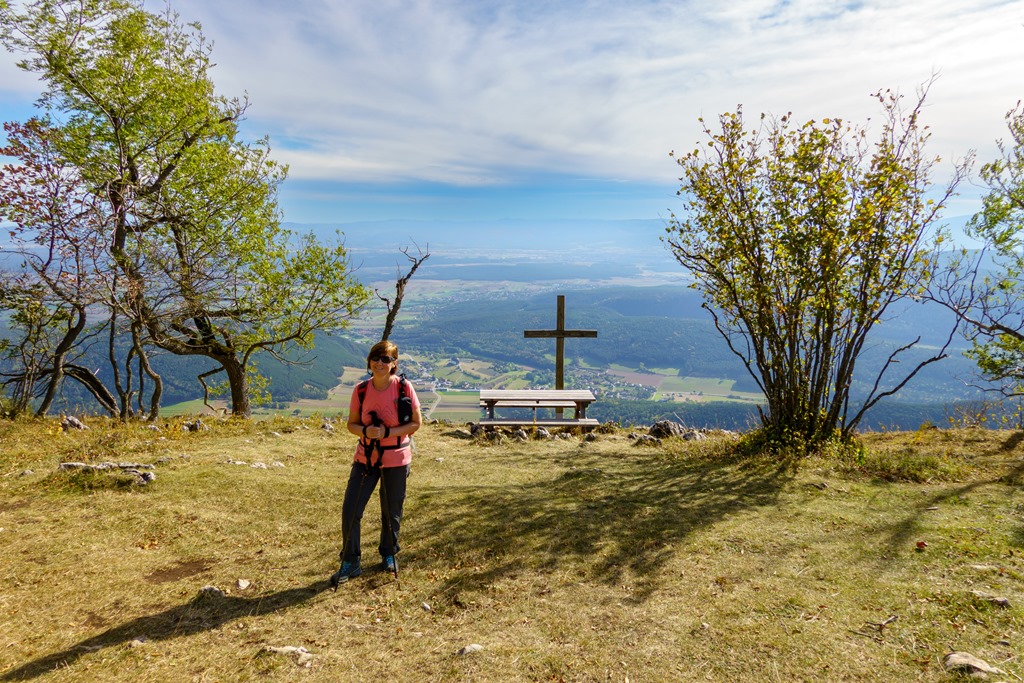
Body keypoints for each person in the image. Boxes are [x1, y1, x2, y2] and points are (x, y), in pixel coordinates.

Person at [331, 340, 422, 586]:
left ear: (394, 364)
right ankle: (351, 561)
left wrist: (386, 433)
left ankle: (389, 554)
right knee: (351, 510)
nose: (379, 363)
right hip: (366, 458)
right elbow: (352, 424)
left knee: (391, 512)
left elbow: (416, 423)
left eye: (385, 359)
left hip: (396, 458)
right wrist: (366, 431)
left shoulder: (404, 387)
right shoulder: (361, 390)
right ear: (369, 361)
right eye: (375, 358)